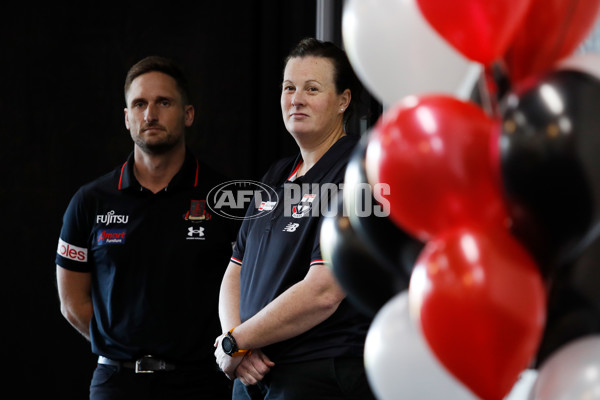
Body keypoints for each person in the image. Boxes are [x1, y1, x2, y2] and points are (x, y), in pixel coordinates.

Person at [56, 56, 239, 400]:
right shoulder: (90, 201)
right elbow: (71, 302)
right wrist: (119, 346)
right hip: (116, 382)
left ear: (188, 114)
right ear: (127, 118)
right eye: (139, 104)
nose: (150, 114)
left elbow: (252, 287)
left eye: (163, 102)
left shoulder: (225, 198)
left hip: (203, 382)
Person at [214, 38, 377, 400]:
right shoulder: (276, 175)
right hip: (251, 372)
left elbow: (324, 291)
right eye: (289, 88)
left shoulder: (358, 171)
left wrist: (236, 341)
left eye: (312, 89)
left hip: (317, 372)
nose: (296, 99)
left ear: (343, 101)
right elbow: (235, 269)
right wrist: (235, 344)